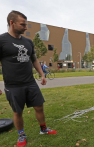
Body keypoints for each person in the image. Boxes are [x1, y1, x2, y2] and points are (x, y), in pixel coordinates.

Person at [0, 10, 57, 147]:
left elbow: (34, 59)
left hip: (30, 82)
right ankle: (21, 136)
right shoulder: (2, 40)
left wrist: (42, 75)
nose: (26, 27)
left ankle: (43, 129)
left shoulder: (28, 42)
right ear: (12, 23)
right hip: (13, 85)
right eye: (23, 24)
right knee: (17, 111)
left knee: (39, 106)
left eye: (26, 24)